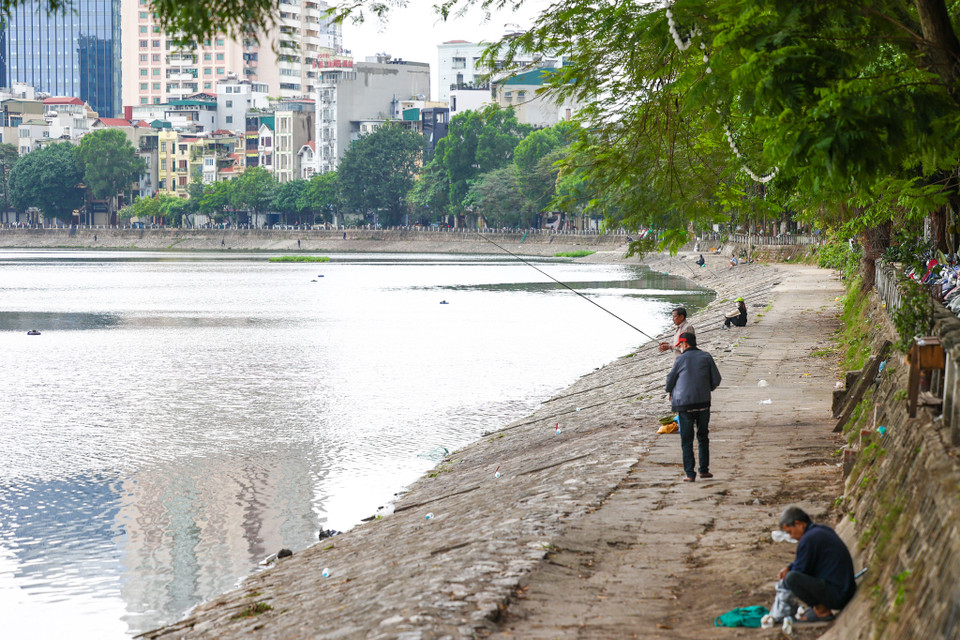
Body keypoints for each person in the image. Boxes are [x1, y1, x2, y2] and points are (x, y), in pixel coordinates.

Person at [778, 506, 856, 623]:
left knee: (791, 578)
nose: (791, 537)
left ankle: (822, 611)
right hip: (847, 589)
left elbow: (800, 571)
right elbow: (806, 562)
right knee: (792, 574)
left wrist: (789, 572)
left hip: (838, 595)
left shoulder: (808, 540)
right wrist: (789, 567)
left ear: (799, 524)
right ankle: (819, 608)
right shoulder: (821, 530)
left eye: (790, 532)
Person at [665, 332, 721, 481]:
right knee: (703, 436)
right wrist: (706, 388)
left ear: (685, 344)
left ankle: (690, 474)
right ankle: (704, 470)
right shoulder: (706, 357)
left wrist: (669, 390)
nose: (681, 347)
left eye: (681, 345)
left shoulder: (680, 359)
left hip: (685, 405)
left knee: (687, 439)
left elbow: (670, 379)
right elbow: (716, 379)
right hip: (703, 404)